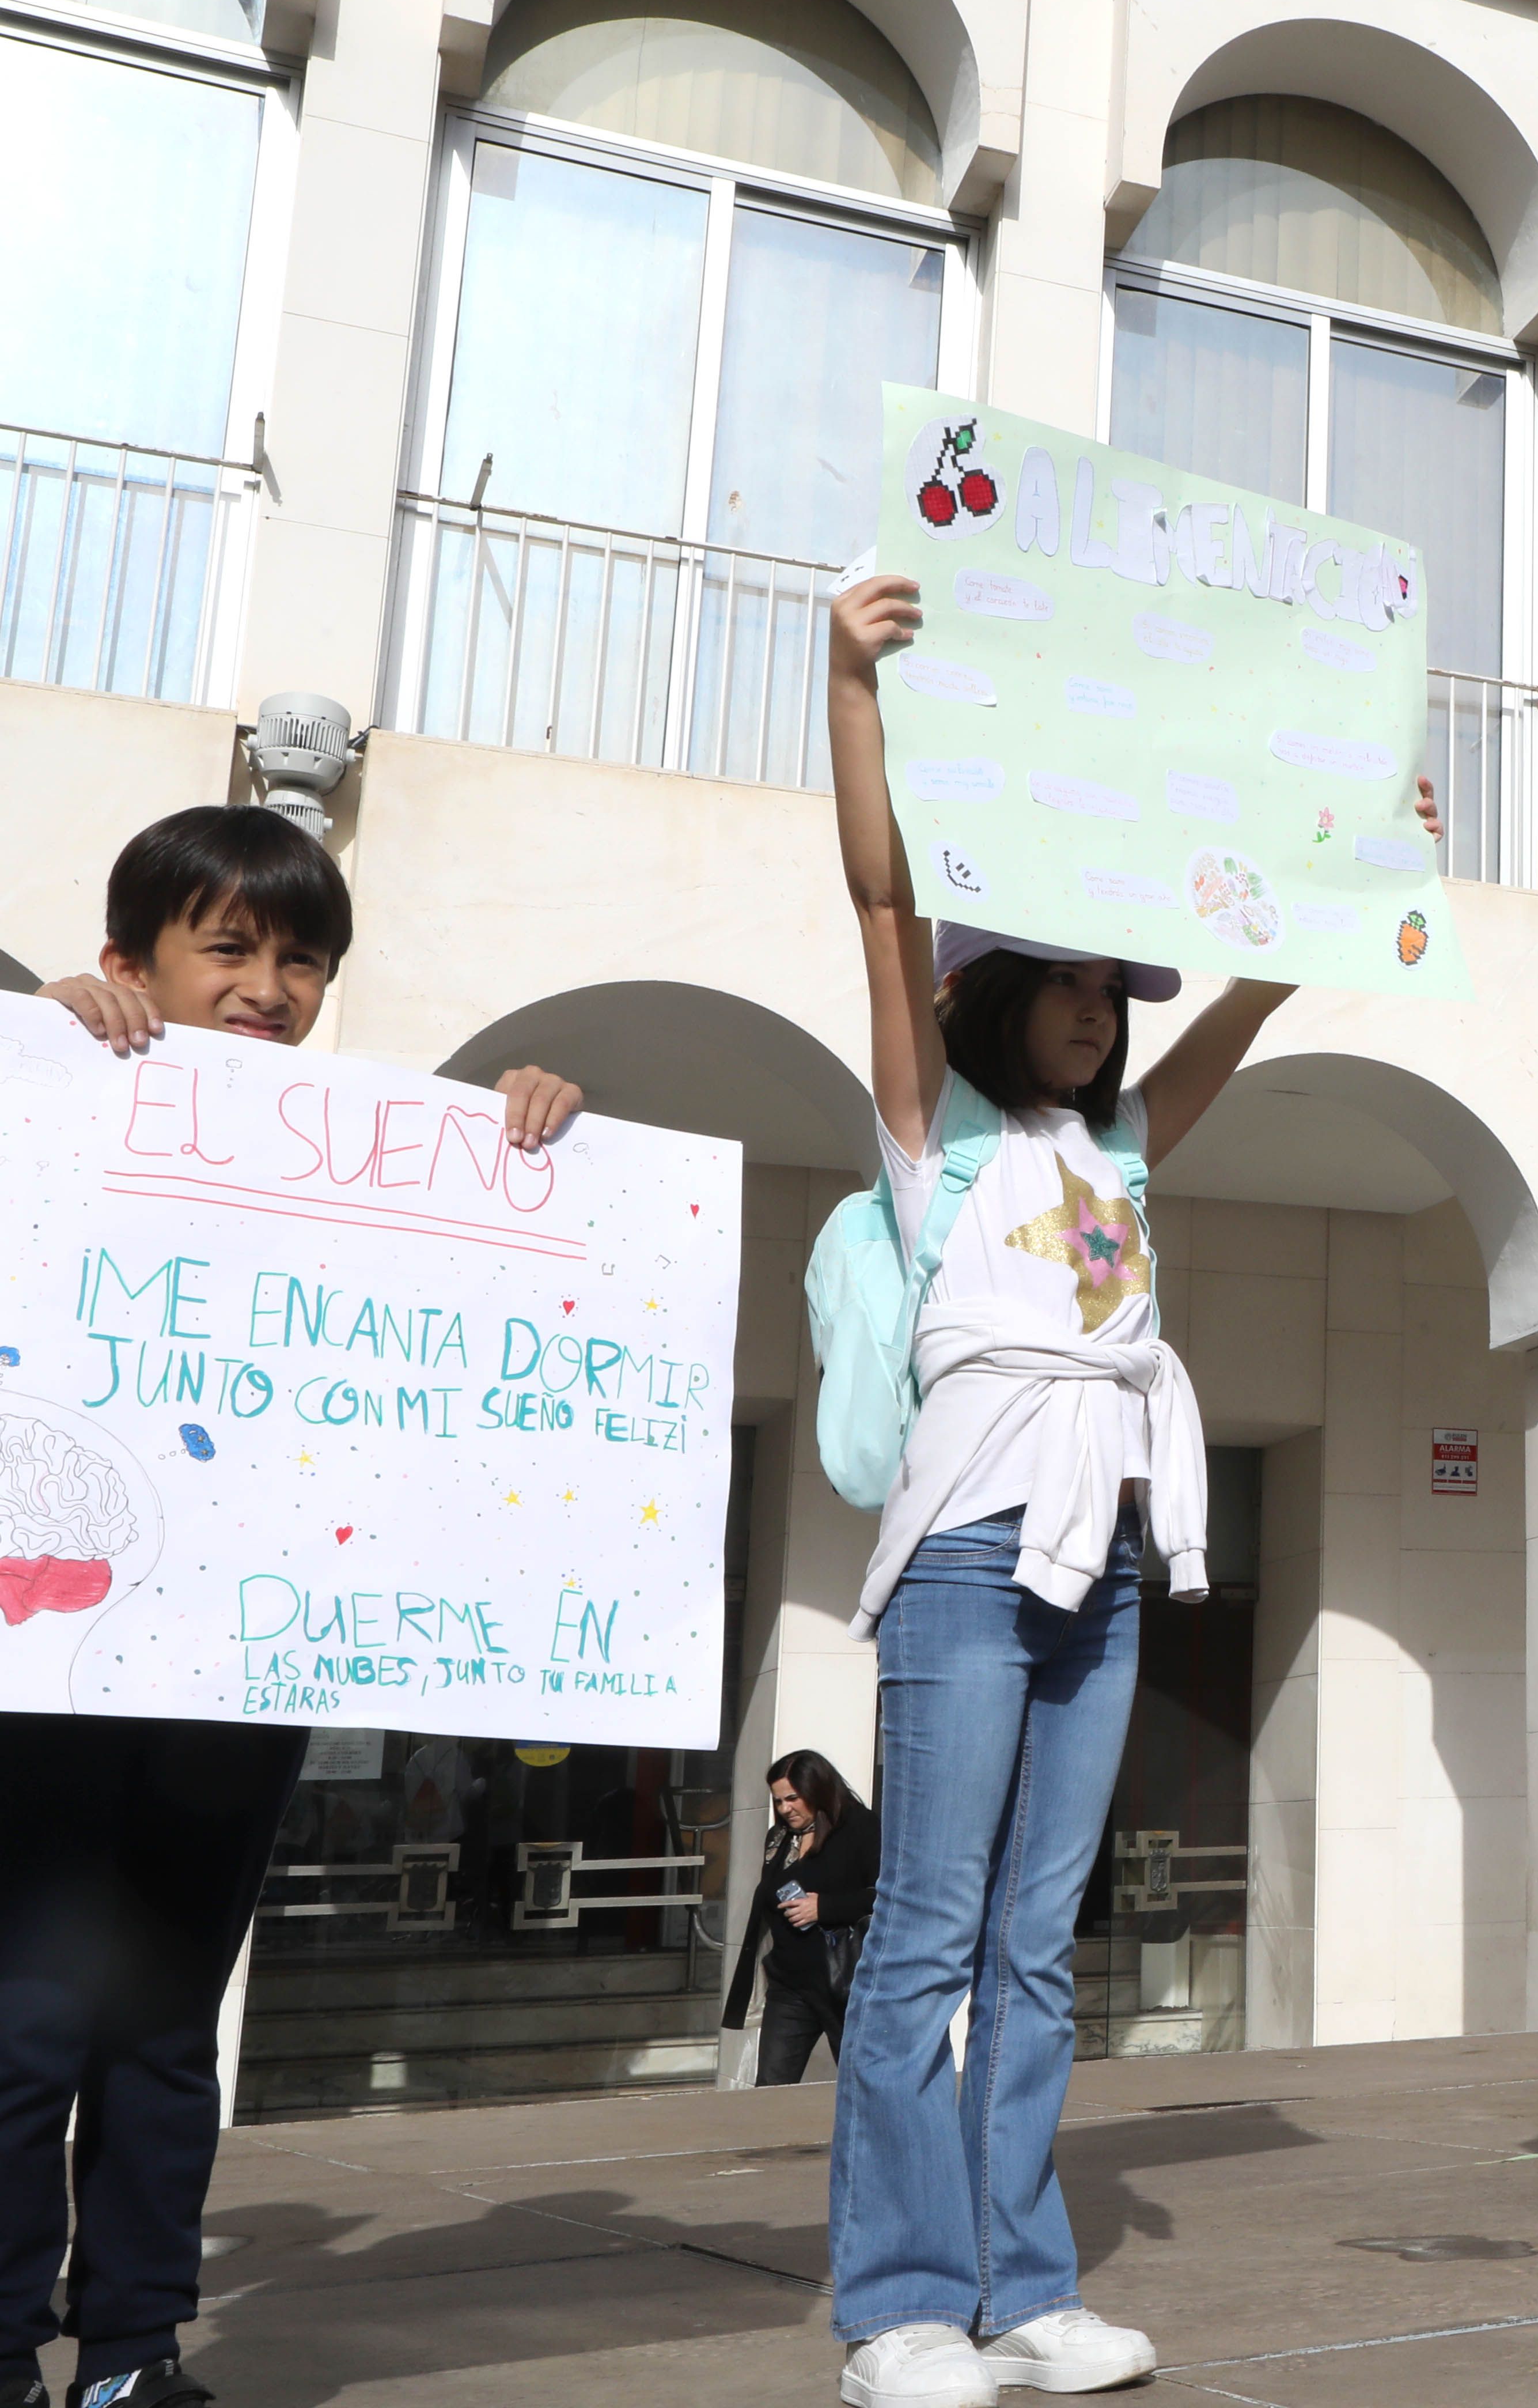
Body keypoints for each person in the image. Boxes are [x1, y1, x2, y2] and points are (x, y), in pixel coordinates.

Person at [821, 576, 1435, 2408]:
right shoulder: (933, 1136)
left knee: (1032, 1933)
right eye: (1072, 983)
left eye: (1111, 989)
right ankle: (898, 2304)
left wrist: (1350, 861)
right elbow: (878, 895)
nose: (1097, 1013)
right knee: (925, 1925)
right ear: (997, 991)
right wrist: (849, 686)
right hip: (969, 1545)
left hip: (1104, 1549)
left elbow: (1244, 1013)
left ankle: (1026, 2282)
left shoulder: (1126, 1154)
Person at [2, 807, 579, 2408]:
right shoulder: (46, 1086)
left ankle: (132, 2353)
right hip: (50, 1648)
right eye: (229, 949)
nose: (269, 986)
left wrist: (531, 1135)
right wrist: (43, 1037)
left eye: (302, 960)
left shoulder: (358, 1150)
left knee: (167, 2028)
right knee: (28, 2022)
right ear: (133, 963)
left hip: (236, 1656)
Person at [718, 1752, 880, 2086]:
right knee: (771, 2088)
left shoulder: (861, 1828)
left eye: (793, 1798)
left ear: (818, 1790)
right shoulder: (780, 1838)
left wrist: (827, 1908)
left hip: (844, 1984)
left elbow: (890, 1896)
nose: (785, 1809)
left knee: (862, 2084)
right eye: (778, 1801)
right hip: (789, 1986)